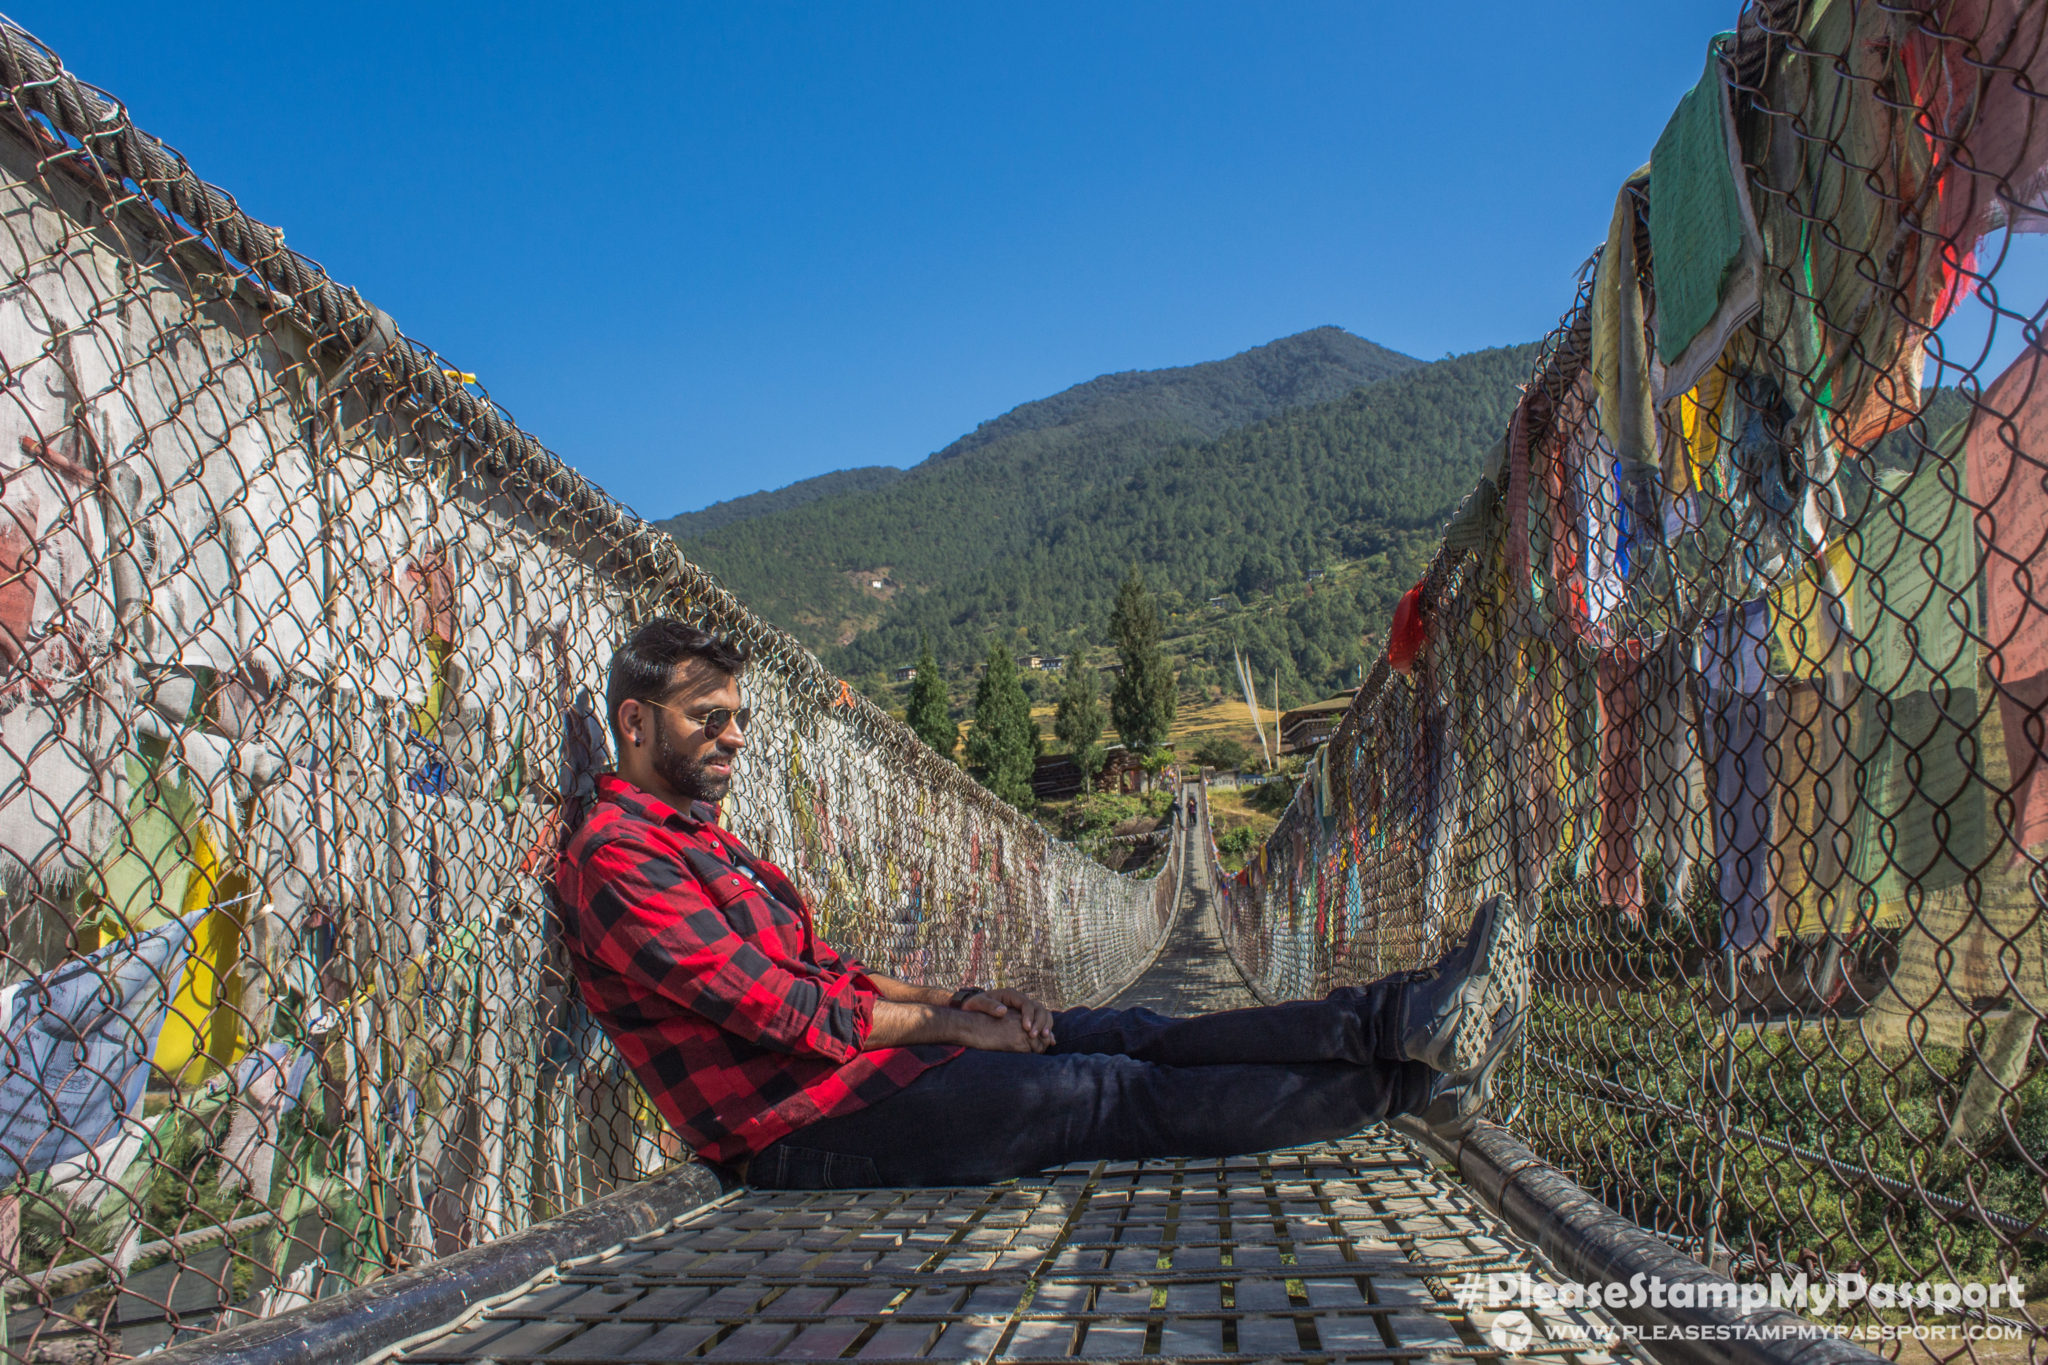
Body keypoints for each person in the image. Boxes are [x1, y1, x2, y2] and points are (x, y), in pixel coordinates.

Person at [555, 619, 1530, 1190]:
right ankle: (1410, 1085)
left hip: (865, 1074)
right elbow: (781, 1012)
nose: (732, 739)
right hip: (796, 1127)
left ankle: (1407, 1016)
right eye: (707, 719)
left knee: (1129, 1029)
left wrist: (964, 1002)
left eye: (737, 720)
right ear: (634, 722)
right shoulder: (614, 860)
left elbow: (826, 975)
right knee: (1108, 1093)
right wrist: (950, 1028)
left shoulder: (696, 841)